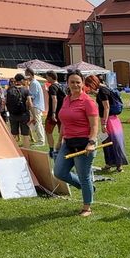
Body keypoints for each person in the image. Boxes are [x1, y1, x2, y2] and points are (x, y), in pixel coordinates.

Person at [53, 72, 102, 217]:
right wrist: (59, 140)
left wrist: (91, 142)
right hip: (68, 143)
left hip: (84, 144)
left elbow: (94, 125)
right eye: (72, 82)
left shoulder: (88, 102)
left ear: (83, 83)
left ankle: (87, 207)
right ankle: (88, 188)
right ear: (67, 83)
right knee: (59, 172)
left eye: (78, 82)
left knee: (84, 176)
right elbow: (64, 123)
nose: (75, 85)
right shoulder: (66, 99)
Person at [97, 75, 129, 172]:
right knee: (110, 142)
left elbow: (106, 107)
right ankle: (111, 163)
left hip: (108, 120)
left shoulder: (102, 91)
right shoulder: (107, 89)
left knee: (112, 142)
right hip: (113, 119)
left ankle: (118, 165)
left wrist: (104, 123)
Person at [5, 74, 35, 147]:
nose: (25, 81)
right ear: (21, 80)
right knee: (25, 135)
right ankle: (26, 150)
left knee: (14, 134)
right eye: (24, 79)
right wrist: (34, 115)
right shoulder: (25, 90)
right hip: (24, 114)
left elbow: (5, 102)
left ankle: (12, 150)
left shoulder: (9, 90)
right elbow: (30, 103)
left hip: (13, 115)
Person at [44, 71, 67, 153]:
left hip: (53, 113)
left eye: (47, 77)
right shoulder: (62, 86)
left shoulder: (52, 87)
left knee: (48, 131)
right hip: (63, 113)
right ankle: (61, 148)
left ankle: (51, 149)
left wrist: (53, 113)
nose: (46, 79)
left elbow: (54, 99)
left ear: (51, 77)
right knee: (62, 132)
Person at [24, 68, 47, 146]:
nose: (26, 76)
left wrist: (27, 102)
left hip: (35, 106)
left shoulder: (34, 83)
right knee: (36, 123)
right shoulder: (34, 83)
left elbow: (32, 96)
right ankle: (41, 140)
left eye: (26, 74)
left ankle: (41, 141)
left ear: (30, 74)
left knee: (37, 123)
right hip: (37, 106)